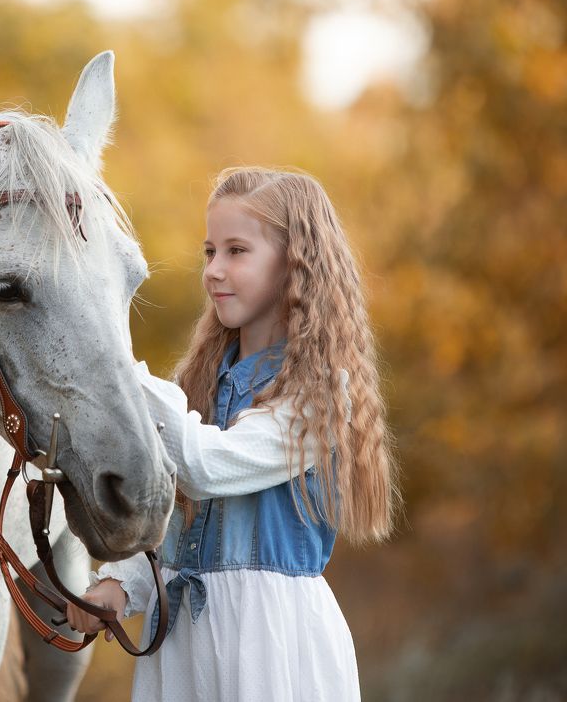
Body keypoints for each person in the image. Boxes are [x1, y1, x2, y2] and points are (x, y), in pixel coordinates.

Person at [66, 166, 399, 701]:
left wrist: (114, 364)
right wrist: (121, 584)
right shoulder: (198, 382)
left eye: (236, 251)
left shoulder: (319, 395)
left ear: (294, 264)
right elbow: (176, 516)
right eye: (209, 252)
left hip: (268, 640)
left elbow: (207, 467)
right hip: (183, 637)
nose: (214, 270)